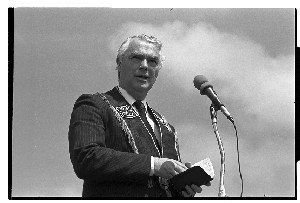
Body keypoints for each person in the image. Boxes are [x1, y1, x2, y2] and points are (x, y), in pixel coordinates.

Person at [68, 34, 210, 197]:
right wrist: (154, 165)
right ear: (119, 64)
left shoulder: (167, 128)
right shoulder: (94, 104)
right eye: (136, 58)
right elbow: (86, 158)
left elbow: (162, 184)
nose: (145, 66)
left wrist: (183, 185)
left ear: (157, 71)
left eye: (152, 61)